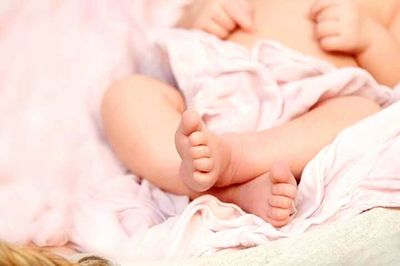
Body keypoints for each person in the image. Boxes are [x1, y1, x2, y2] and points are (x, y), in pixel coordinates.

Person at [101, 0, 400, 227]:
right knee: (125, 96)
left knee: (361, 112)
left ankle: (240, 161)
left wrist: (370, 37)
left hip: (308, 105)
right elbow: (184, 20)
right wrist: (204, 14)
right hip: (215, 90)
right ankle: (222, 187)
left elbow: (394, 80)